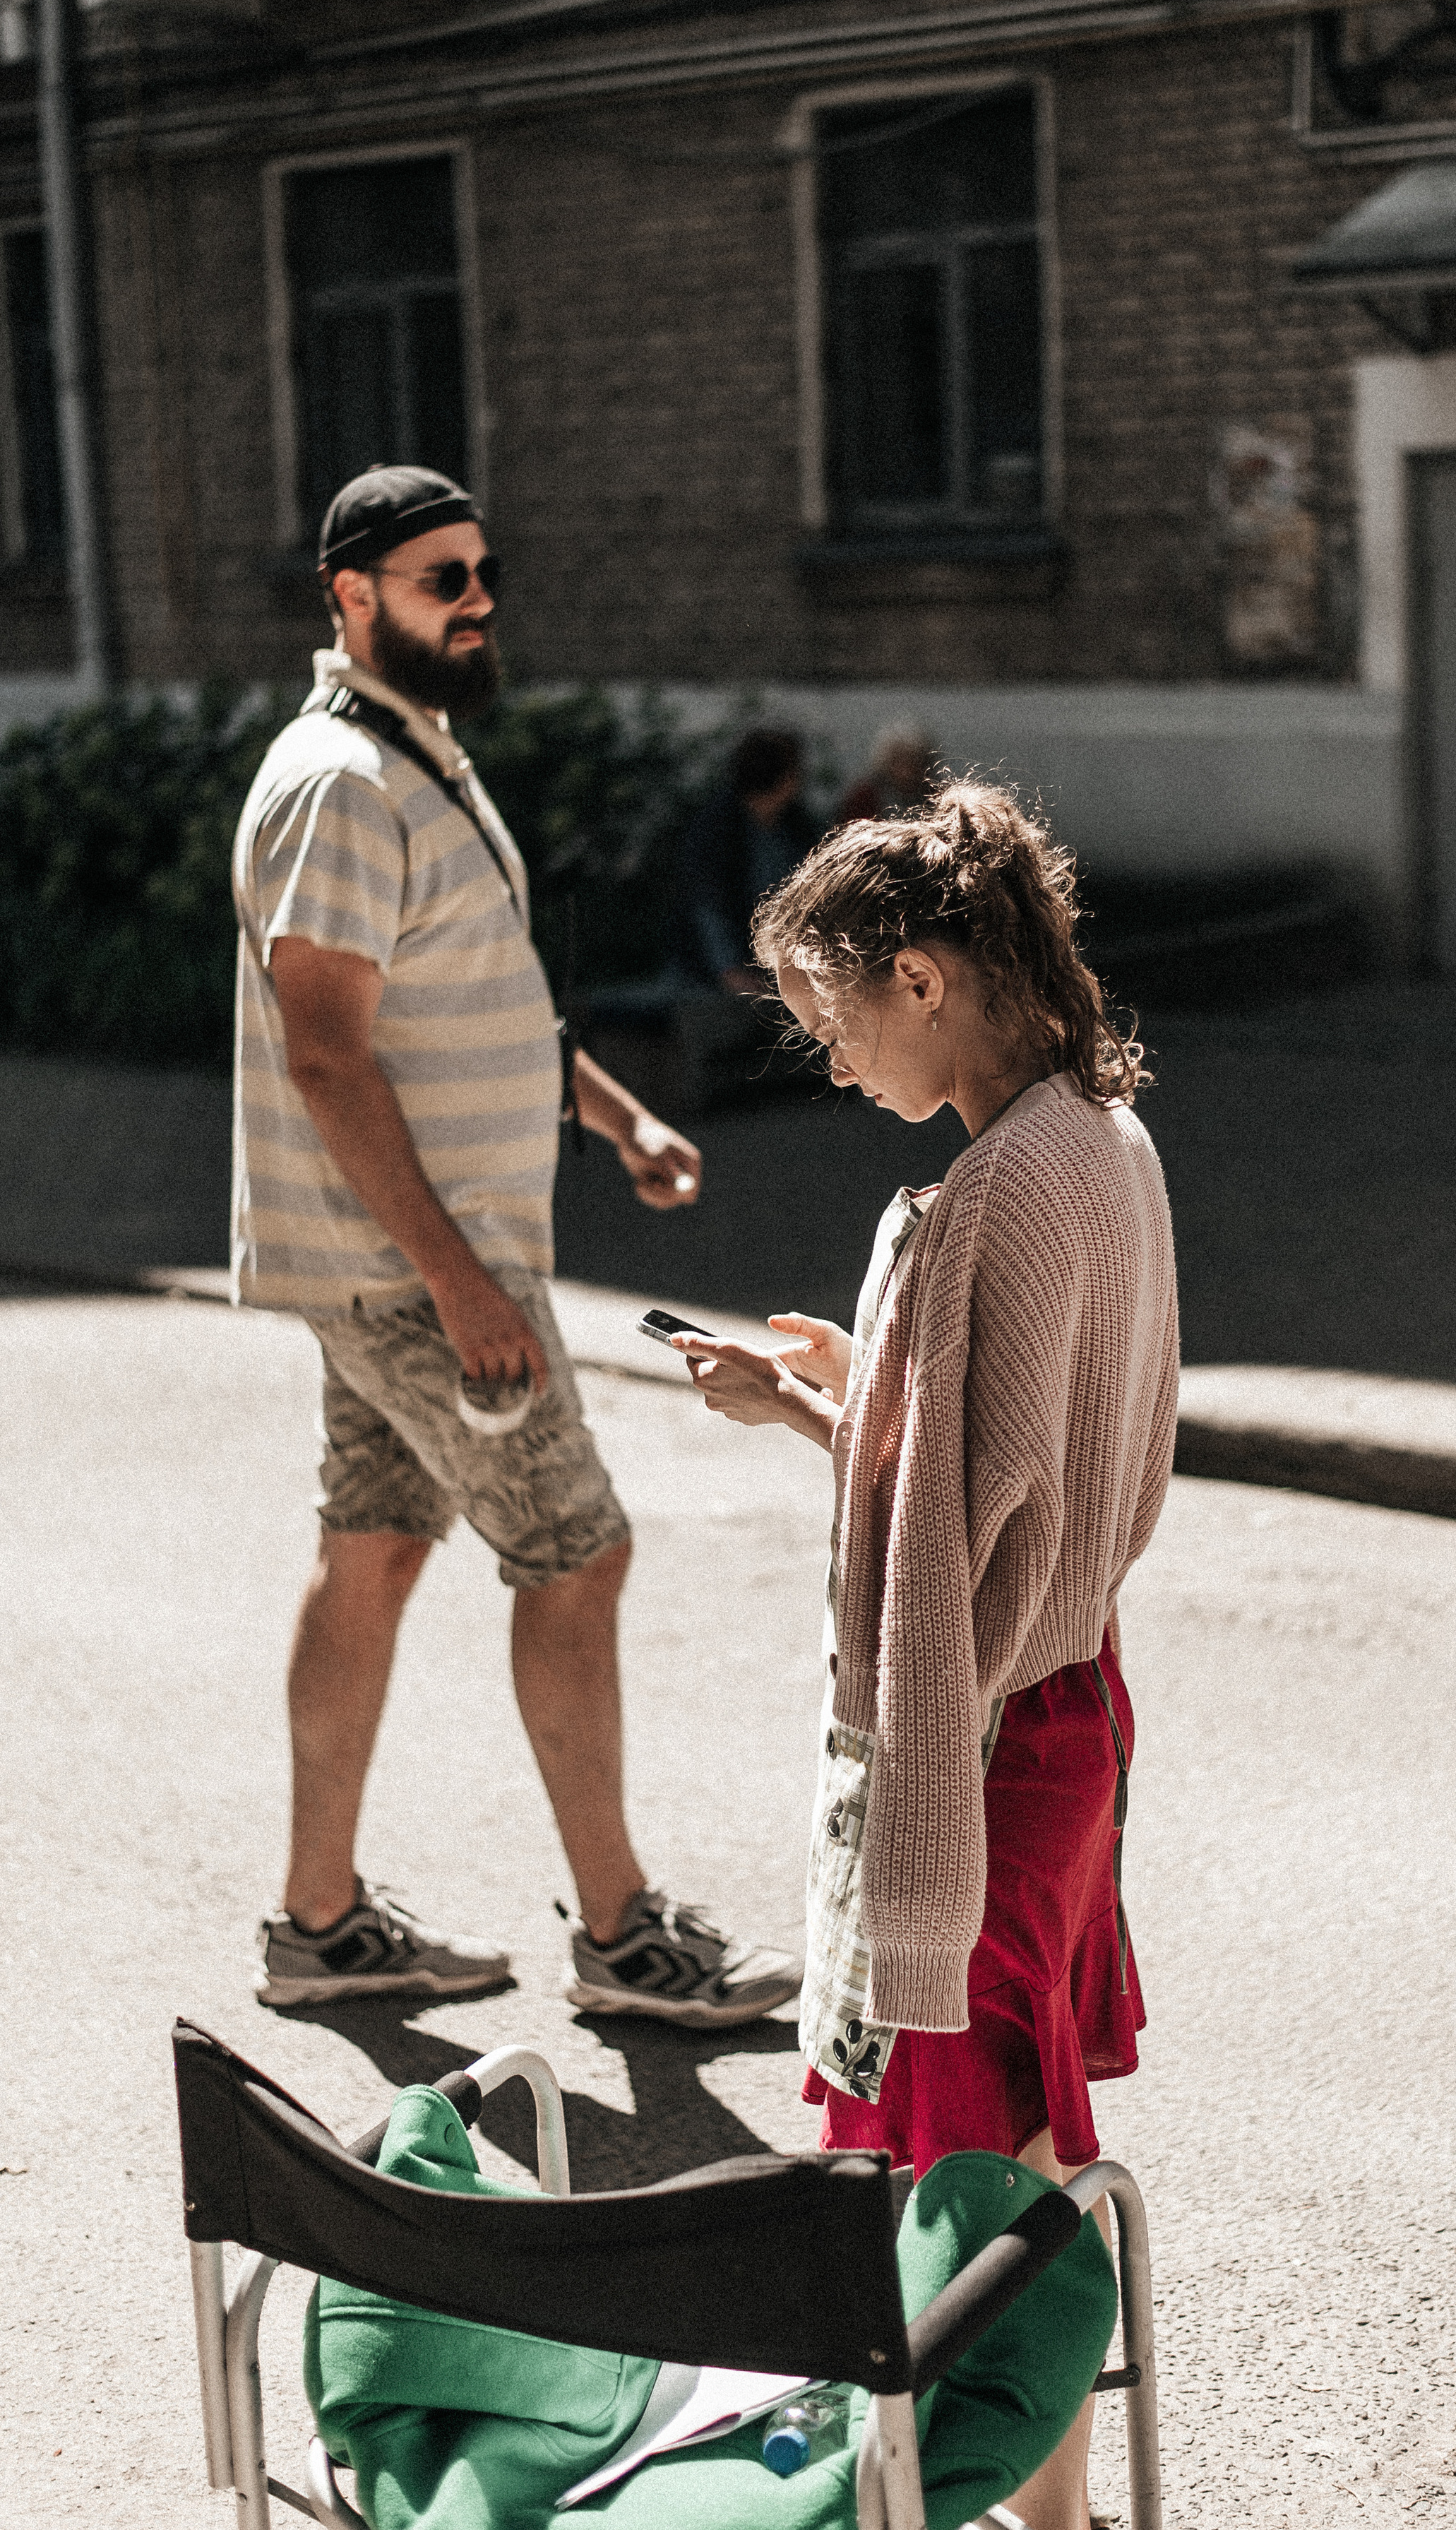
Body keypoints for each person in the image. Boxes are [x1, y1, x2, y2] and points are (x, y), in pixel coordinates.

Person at [232, 463, 801, 2029]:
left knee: (377, 1548)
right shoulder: (338, 783)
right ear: (349, 597)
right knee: (579, 1553)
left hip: (403, 1262)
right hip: (422, 1269)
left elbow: (473, 1000)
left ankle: (319, 1922)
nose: (474, 599)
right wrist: (460, 1280)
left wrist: (617, 1122)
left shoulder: (414, 760)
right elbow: (331, 1053)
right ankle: (625, 1940)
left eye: (484, 570)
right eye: (437, 577)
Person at [674, 784, 1179, 2530]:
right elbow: (1005, 1479)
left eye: (828, 1017)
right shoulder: (1100, 1138)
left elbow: (937, 1548)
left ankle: (1042, 2517)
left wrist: (850, 1410)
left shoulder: (981, 1197)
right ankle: (1052, 2508)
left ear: (918, 976)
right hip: (1071, 1700)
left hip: (981, 1737)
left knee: (992, 2159)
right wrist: (834, 1397)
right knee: (1011, 2132)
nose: (829, 1062)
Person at [672, 726, 816, 995]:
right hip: (713, 981)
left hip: (781, 970)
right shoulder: (715, 829)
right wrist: (729, 971)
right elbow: (706, 907)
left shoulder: (797, 826)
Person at [832, 723, 938, 827]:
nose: (907, 769)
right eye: (899, 760)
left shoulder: (935, 796)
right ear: (887, 762)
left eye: (915, 761)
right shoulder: (865, 798)